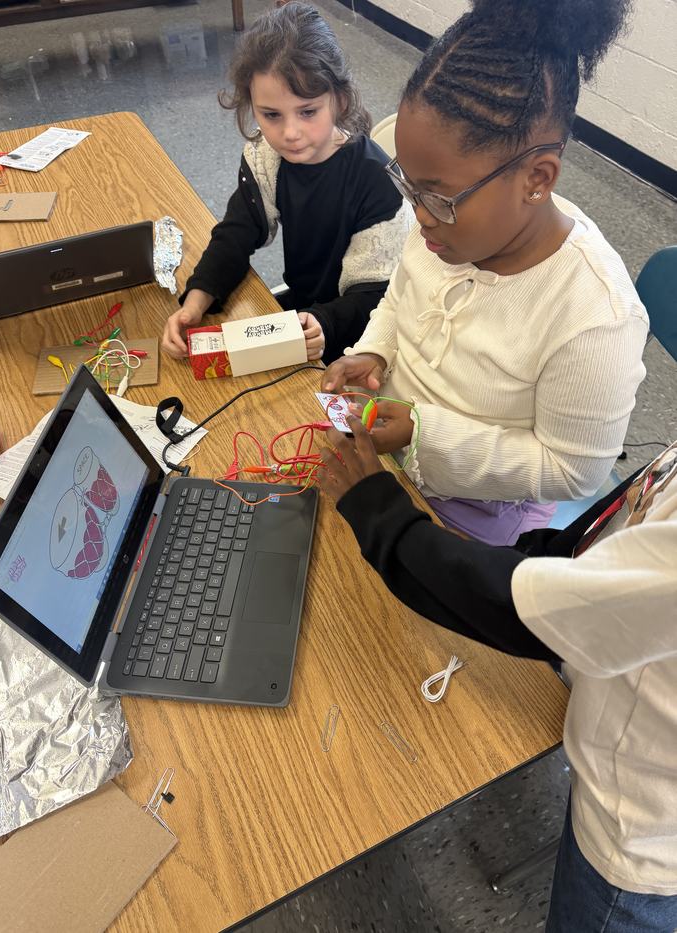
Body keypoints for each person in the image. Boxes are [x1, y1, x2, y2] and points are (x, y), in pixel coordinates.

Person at [320, 417, 677, 933]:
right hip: (608, 683)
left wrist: (381, 515)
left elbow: (540, 616)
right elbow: (626, 532)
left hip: (639, 830)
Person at [321, 0, 648, 546]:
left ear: (537, 179)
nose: (419, 215)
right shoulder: (444, 228)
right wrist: (375, 351)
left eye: (439, 198)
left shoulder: (594, 317)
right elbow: (400, 301)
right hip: (390, 456)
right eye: (409, 186)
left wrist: (426, 435)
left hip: (483, 517)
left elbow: (575, 471)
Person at [162, 2, 411, 366]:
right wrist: (195, 302)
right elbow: (237, 232)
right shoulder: (266, 155)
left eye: (308, 111)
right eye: (271, 115)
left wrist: (324, 324)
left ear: (339, 100)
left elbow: (377, 296)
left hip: (359, 341)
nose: (289, 133)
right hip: (304, 313)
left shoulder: (377, 181)